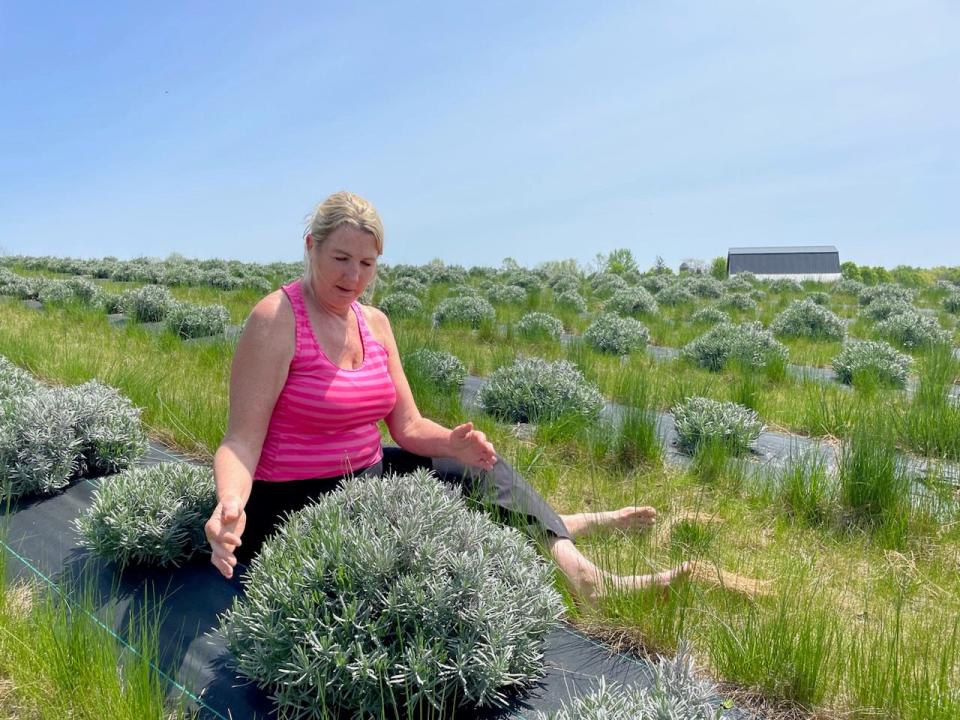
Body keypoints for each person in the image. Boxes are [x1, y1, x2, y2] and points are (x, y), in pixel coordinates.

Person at [204, 191, 690, 605]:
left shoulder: (374, 324)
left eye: (367, 263)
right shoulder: (276, 319)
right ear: (311, 247)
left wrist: (453, 445)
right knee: (441, 532)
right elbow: (240, 442)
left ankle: (584, 573)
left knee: (479, 469)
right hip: (297, 502)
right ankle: (563, 529)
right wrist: (230, 504)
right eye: (341, 259)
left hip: (368, 479)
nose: (354, 276)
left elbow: (409, 426)